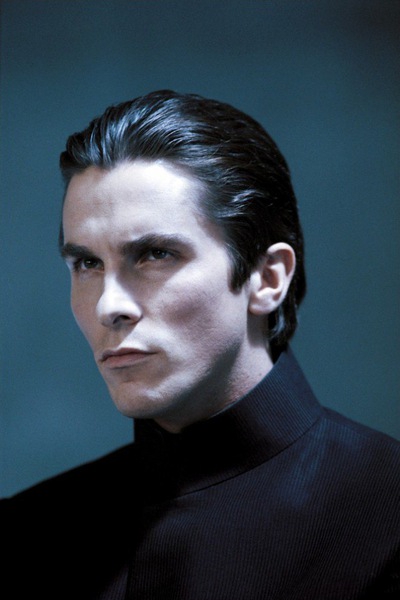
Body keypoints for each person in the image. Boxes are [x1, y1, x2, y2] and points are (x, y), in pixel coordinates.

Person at [1, 90, 399, 600]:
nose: (108, 306)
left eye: (155, 254)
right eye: (87, 264)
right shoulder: (26, 535)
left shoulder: (386, 518)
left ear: (268, 277)